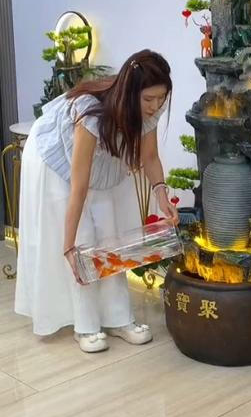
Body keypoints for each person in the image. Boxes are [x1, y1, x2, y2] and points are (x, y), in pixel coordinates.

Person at [15, 49, 179, 353]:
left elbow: (150, 156)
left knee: (111, 237)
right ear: (130, 93)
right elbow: (79, 187)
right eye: (148, 99)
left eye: (161, 98)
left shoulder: (150, 108)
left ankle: (118, 318)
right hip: (57, 158)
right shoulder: (90, 113)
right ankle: (85, 325)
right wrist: (68, 247)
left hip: (102, 161)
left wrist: (161, 194)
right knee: (84, 241)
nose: (155, 106)